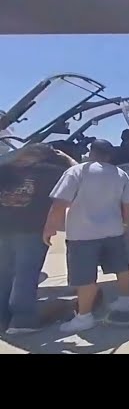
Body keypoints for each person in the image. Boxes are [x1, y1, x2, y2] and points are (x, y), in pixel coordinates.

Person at [43, 139, 129, 333]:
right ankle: (125, 300)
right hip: (114, 230)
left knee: (85, 277)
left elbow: (60, 203)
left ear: (91, 152)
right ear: (110, 156)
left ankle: (84, 317)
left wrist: (49, 228)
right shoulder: (121, 174)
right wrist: (125, 224)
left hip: (82, 234)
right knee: (121, 267)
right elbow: (128, 205)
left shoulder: (76, 172)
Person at [0, 143, 77, 334]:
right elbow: (78, 172)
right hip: (31, 230)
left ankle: (3, 318)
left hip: (5, 229)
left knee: (5, 274)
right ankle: (23, 320)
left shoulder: (7, 171)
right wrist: (64, 156)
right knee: (26, 274)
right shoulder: (50, 172)